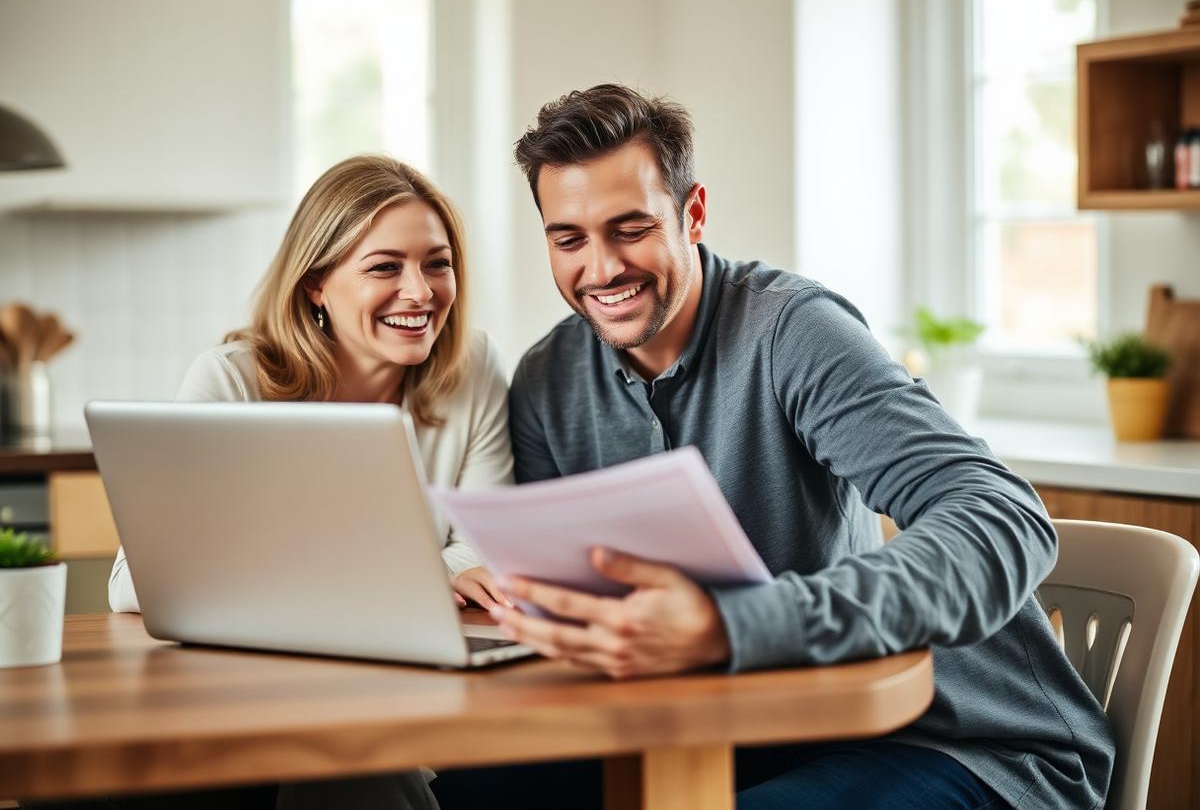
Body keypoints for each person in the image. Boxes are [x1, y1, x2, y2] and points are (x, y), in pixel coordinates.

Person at [437, 85, 1115, 809]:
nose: (600, 269)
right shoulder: (549, 381)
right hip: (741, 732)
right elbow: (572, 601)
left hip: (956, 739)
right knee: (475, 789)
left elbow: (1002, 515)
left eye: (630, 228)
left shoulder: (793, 332)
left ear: (693, 214)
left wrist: (731, 625)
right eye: (569, 238)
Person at [100, 154, 513, 810]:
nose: (421, 291)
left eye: (437, 263)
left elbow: (492, 544)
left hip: (416, 683)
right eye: (385, 267)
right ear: (316, 283)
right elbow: (137, 583)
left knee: (361, 764)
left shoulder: (474, 368)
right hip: (248, 692)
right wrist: (425, 574)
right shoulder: (234, 380)